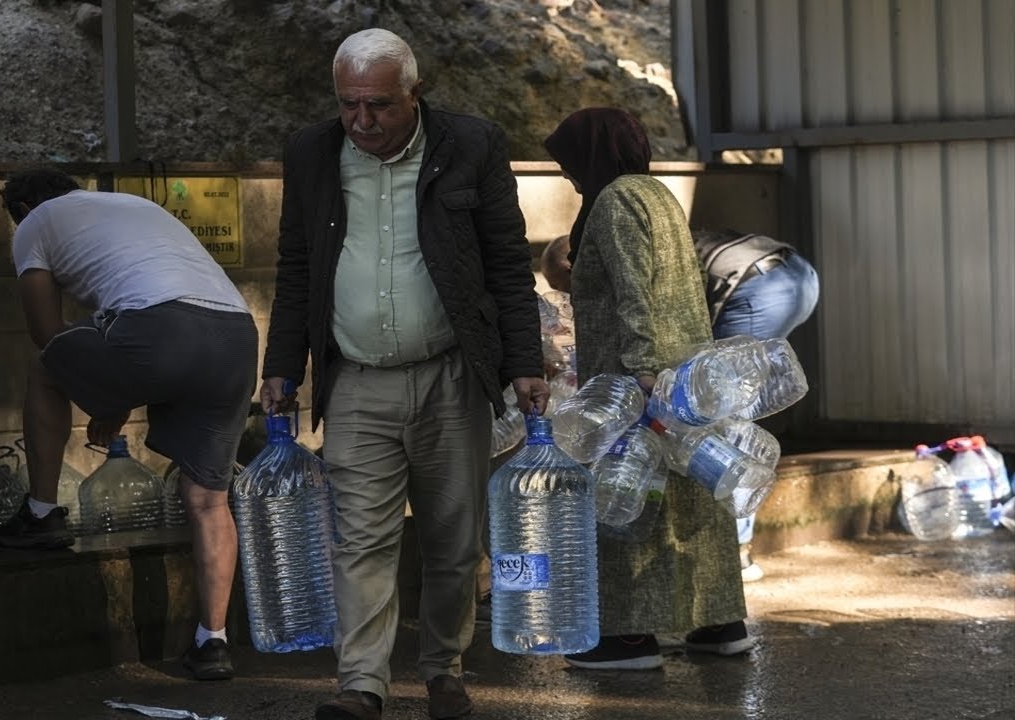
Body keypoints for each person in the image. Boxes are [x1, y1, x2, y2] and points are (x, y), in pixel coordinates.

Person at [259, 28, 549, 720]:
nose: (363, 121)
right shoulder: (311, 153)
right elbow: (296, 267)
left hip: (451, 375)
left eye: (380, 106)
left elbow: (508, 263)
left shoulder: (470, 145)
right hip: (356, 379)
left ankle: (443, 668)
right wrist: (281, 366)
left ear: (415, 93)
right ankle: (361, 684)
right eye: (350, 105)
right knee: (360, 539)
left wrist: (525, 364)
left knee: (454, 539)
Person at [0, 168, 258, 682]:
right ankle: (213, 642)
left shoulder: (34, 224)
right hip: (234, 334)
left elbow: (48, 334)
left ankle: (42, 511)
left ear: (22, 210)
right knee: (208, 500)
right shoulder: (131, 206)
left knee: (43, 371)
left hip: (159, 327)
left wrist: (105, 395)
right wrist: (111, 394)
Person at [544, 108, 753, 670]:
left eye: (569, 164)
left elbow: (635, 288)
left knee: (629, 499)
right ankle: (720, 623)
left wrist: (639, 369)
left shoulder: (613, 201)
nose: (568, 176)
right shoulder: (657, 193)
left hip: (635, 379)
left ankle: (628, 638)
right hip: (685, 370)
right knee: (692, 503)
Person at [692, 228, 819, 581]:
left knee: (731, 417)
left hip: (761, 287)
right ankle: (737, 547)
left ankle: (737, 552)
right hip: (798, 276)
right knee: (733, 399)